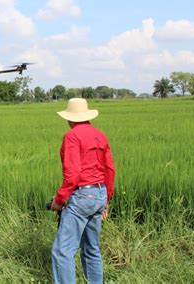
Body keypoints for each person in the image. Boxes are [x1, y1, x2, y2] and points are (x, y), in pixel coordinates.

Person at [50, 98, 116, 284]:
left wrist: (59, 199)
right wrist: (106, 201)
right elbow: (110, 169)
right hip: (99, 193)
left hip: (82, 196)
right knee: (91, 249)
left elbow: (73, 174)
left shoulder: (72, 136)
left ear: (69, 118)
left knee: (62, 251)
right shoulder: (100, 135)